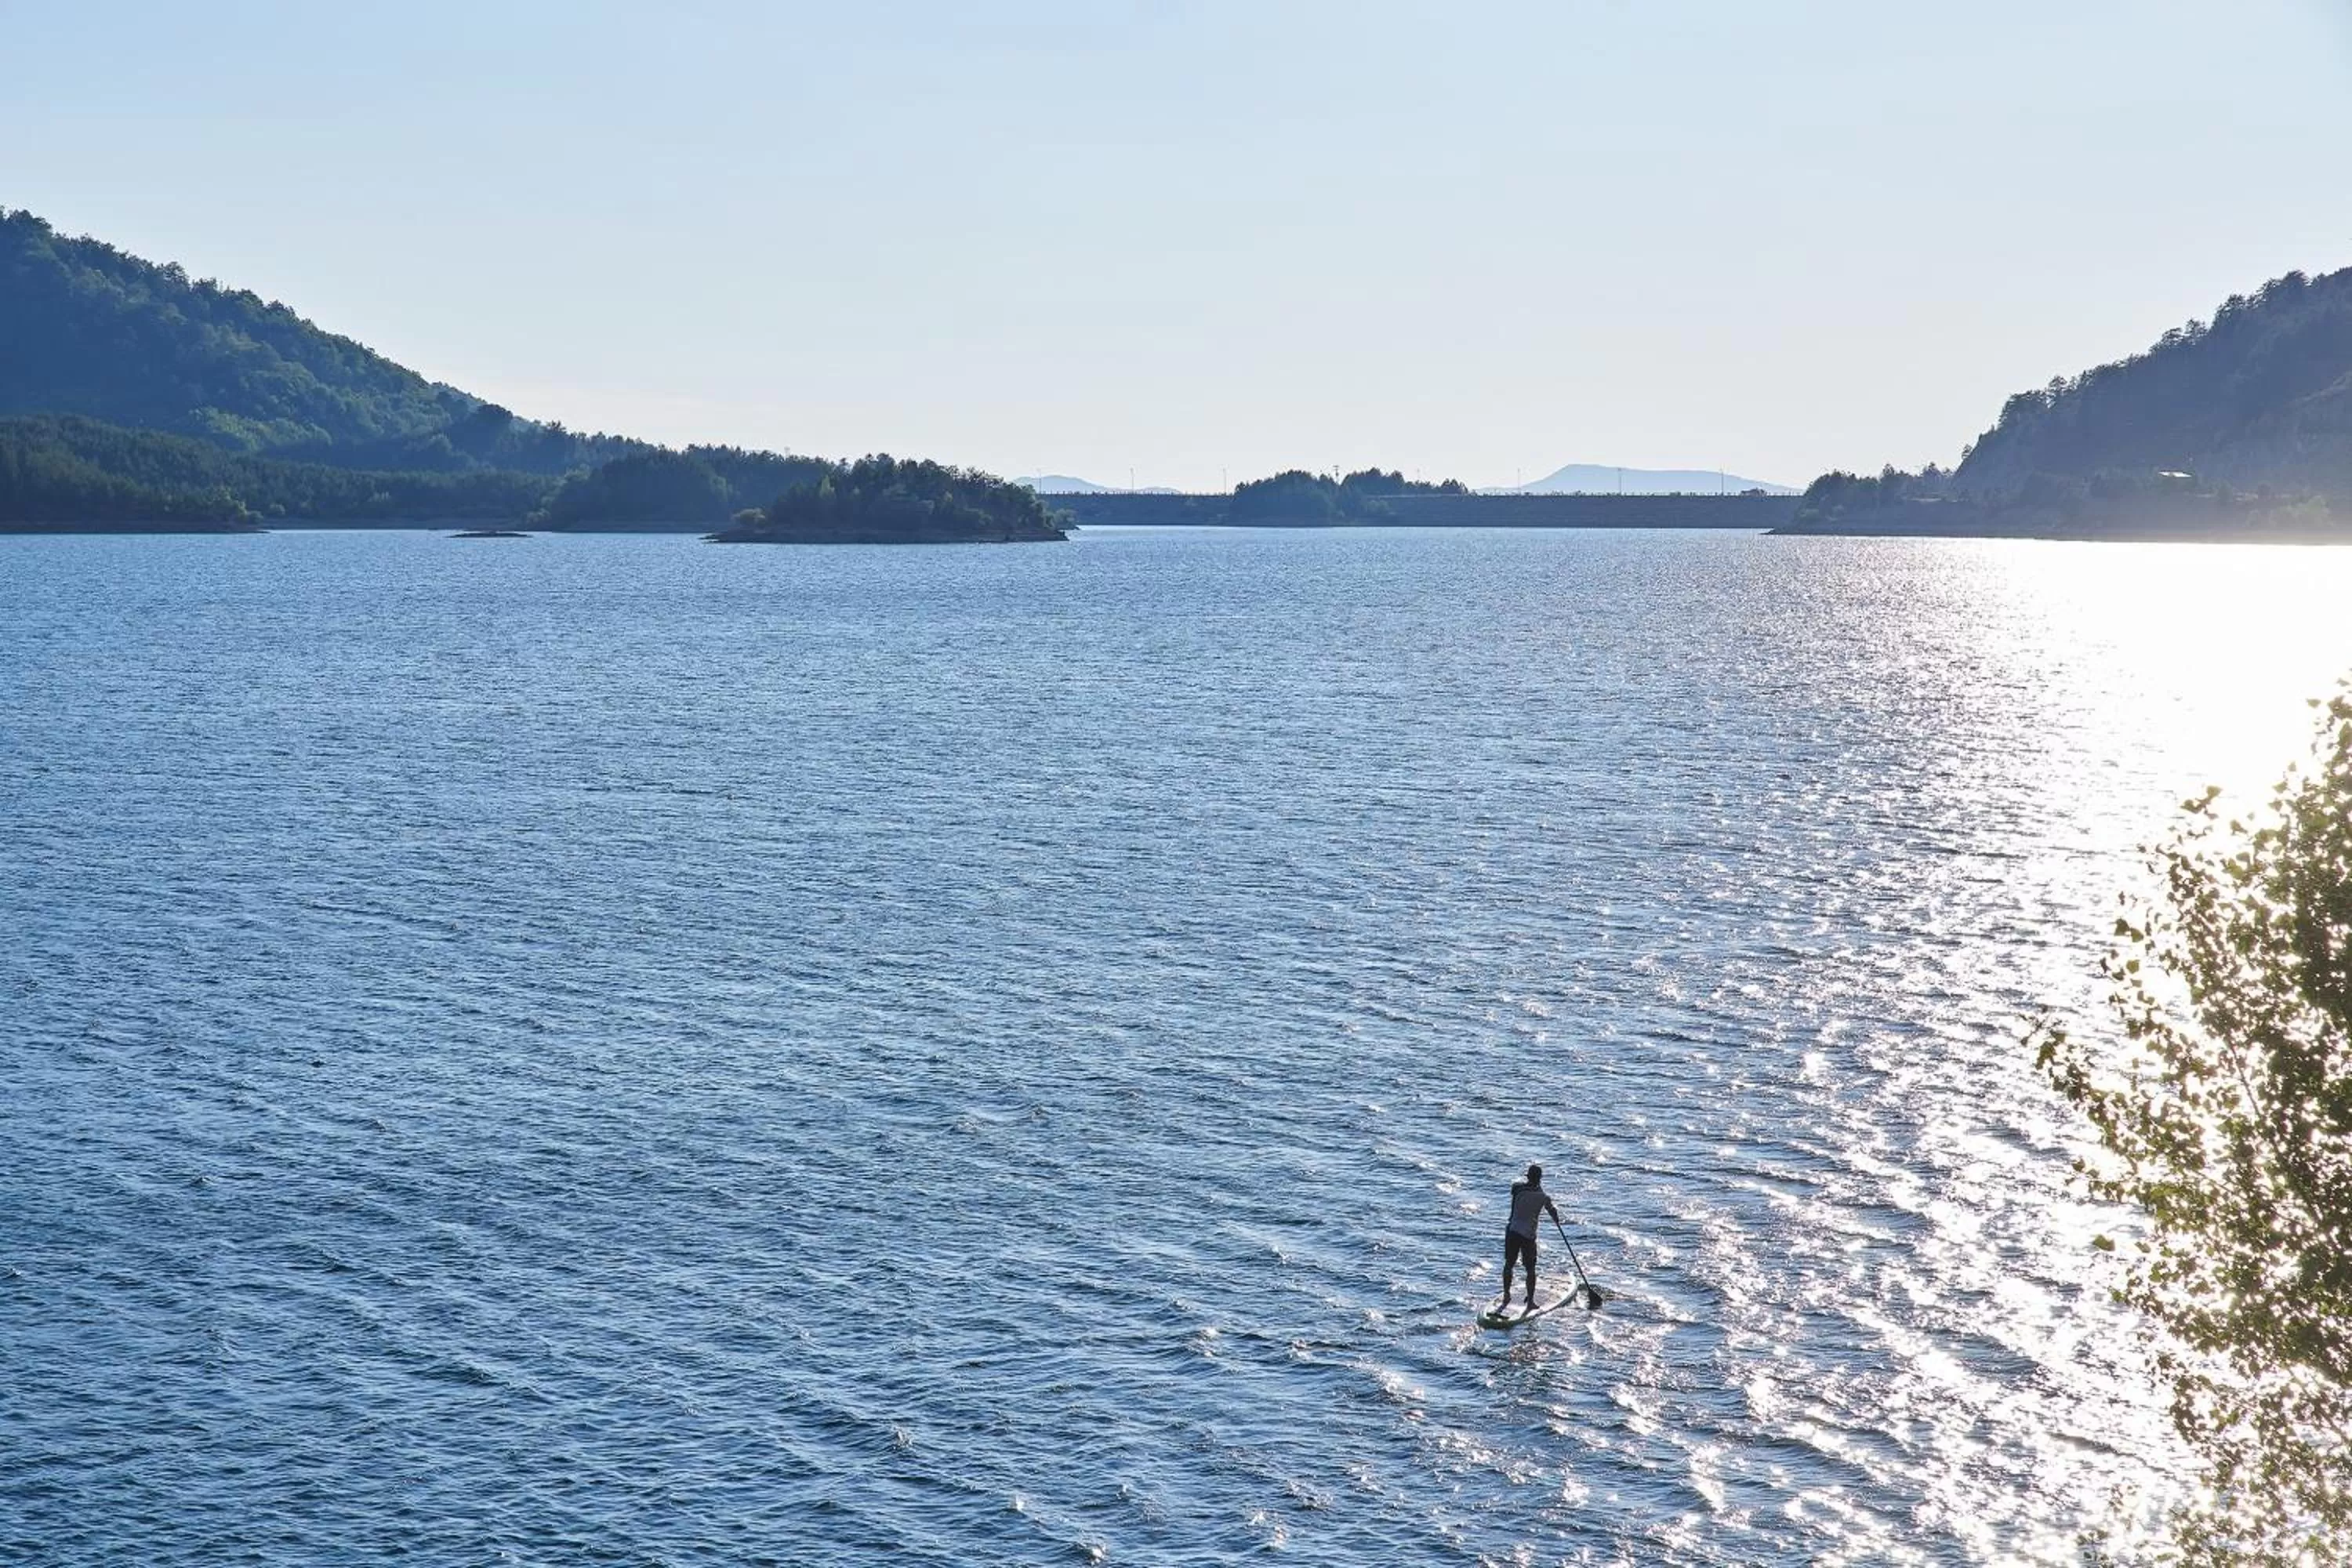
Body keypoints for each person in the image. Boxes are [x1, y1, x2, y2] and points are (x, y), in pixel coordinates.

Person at [1499, 1163, 1563, 1313]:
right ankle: (1530, 1302)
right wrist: (1556, 1220)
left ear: (1528, 1177)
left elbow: (1519, 1187)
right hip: (1528, 1236)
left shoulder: (1517, 1189)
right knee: (1530, 1269)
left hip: (1513, 1231)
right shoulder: (1543, 1197)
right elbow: (1553, 1212)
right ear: (1540, 1179)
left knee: (1509, 1264)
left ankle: (1506, 1295)